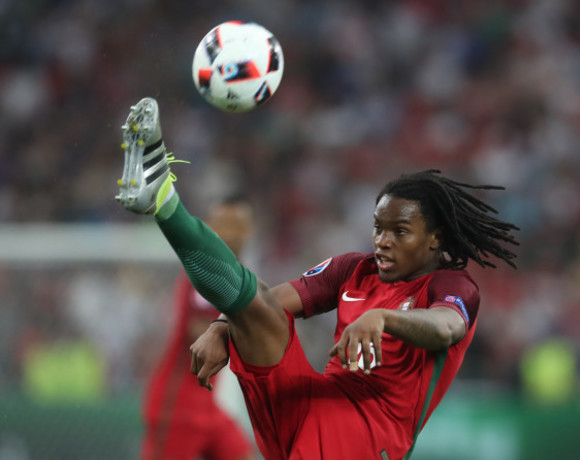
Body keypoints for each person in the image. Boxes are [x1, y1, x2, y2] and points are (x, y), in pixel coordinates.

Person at [116, 97, 519, 460]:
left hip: (367, 429)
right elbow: (274, 302)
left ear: (435, 239)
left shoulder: (451, 287)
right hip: (306, 402)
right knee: (258, 302)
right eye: (378, 227)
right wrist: (224, 324)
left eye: (399, 231)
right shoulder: (354, 269)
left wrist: (384, 318)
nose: (382, 241)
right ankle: (163, 199)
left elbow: (446, 328)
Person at [139, 194, 258, 460]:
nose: (232, 233)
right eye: (224, 224)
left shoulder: (235, 273)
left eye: (239, 225)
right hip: (178, 405)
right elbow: (199, 331)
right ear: (209, 227)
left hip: (206, 404)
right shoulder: (205, 271)